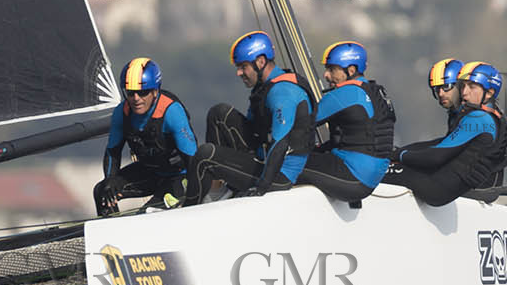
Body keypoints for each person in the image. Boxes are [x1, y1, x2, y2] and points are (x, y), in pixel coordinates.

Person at [189, 30, 315, 201]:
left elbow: (280, 144)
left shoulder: (282, 92)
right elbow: (253, 130)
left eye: (243, 67)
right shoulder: (264, 87)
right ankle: (221, 189)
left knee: (206, 155)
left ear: (260, 62)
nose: (239, 73)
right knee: (219, 113)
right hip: (263, 159)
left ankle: (192, 206)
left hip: (279, 176)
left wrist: (261, 188)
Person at [389, 61, 507, 206]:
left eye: (471, 86)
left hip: (449, 190)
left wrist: (399, 155)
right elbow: (442, 145)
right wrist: (400, 152)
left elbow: (436, 156)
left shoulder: (478, 118)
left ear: (489, 93)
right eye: (463, 86)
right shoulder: (491, 115)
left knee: (379, 171)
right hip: (468, 187)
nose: (464, 92)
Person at [94, 57, 197, 216]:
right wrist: (110, 181)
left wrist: (194, 198)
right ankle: (111, 228)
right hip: (150, 172)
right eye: (130, 93)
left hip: (178, 176)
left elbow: (192, 160)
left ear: (155, 91)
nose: (136, 99)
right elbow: (112, 152)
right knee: (102, 190)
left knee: (145, 215)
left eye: (143, 92)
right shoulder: (121, 113)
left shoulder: (171, 111)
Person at [296, 41, 395, 202]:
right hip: (371, 179)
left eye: (332, 69)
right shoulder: (377, 92)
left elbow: (300, 122)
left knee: (287, 162)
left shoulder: (346, 92)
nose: (326, 75)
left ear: (351, 70)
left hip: (351, 175)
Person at [395, 57, 462, 162]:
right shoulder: (455, 114)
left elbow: (440, 153)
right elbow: (444, 142)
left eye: (446, 86)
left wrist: (401, 155)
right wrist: (401, 150)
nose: (441, 93)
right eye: (437, 89)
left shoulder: (471, 116)